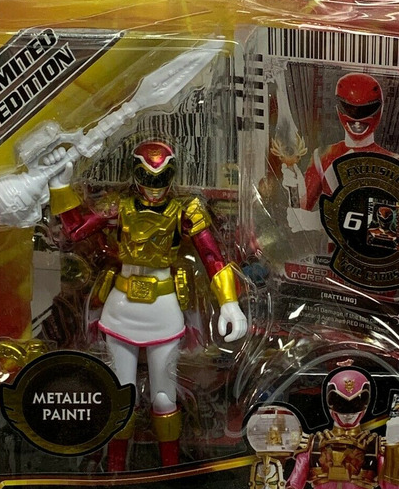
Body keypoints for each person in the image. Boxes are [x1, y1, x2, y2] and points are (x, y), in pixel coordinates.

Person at [43, 139, 247, 470]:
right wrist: (60, 187)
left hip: (163, 308)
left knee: (164, 397)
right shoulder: (119, 205)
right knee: (122, 395)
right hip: (122, 307)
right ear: (136, 174)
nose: (154, 186)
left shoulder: (186, 211)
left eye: (161, 177)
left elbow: (212, 256)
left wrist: (229, 302)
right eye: (148, 177)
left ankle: (170, 467)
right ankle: (115, 467)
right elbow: (76, 230)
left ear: (172, 174)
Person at [282, 73, 399, 233]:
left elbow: (389, 228)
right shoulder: (322, 156)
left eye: (366, 110)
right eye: (350, 108)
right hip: (330, 246)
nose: (357, 120)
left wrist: (317, 221)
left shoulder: (395, 161)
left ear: (379, 109)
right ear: (338, 107)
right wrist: (294, 189)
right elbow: (296, 221)